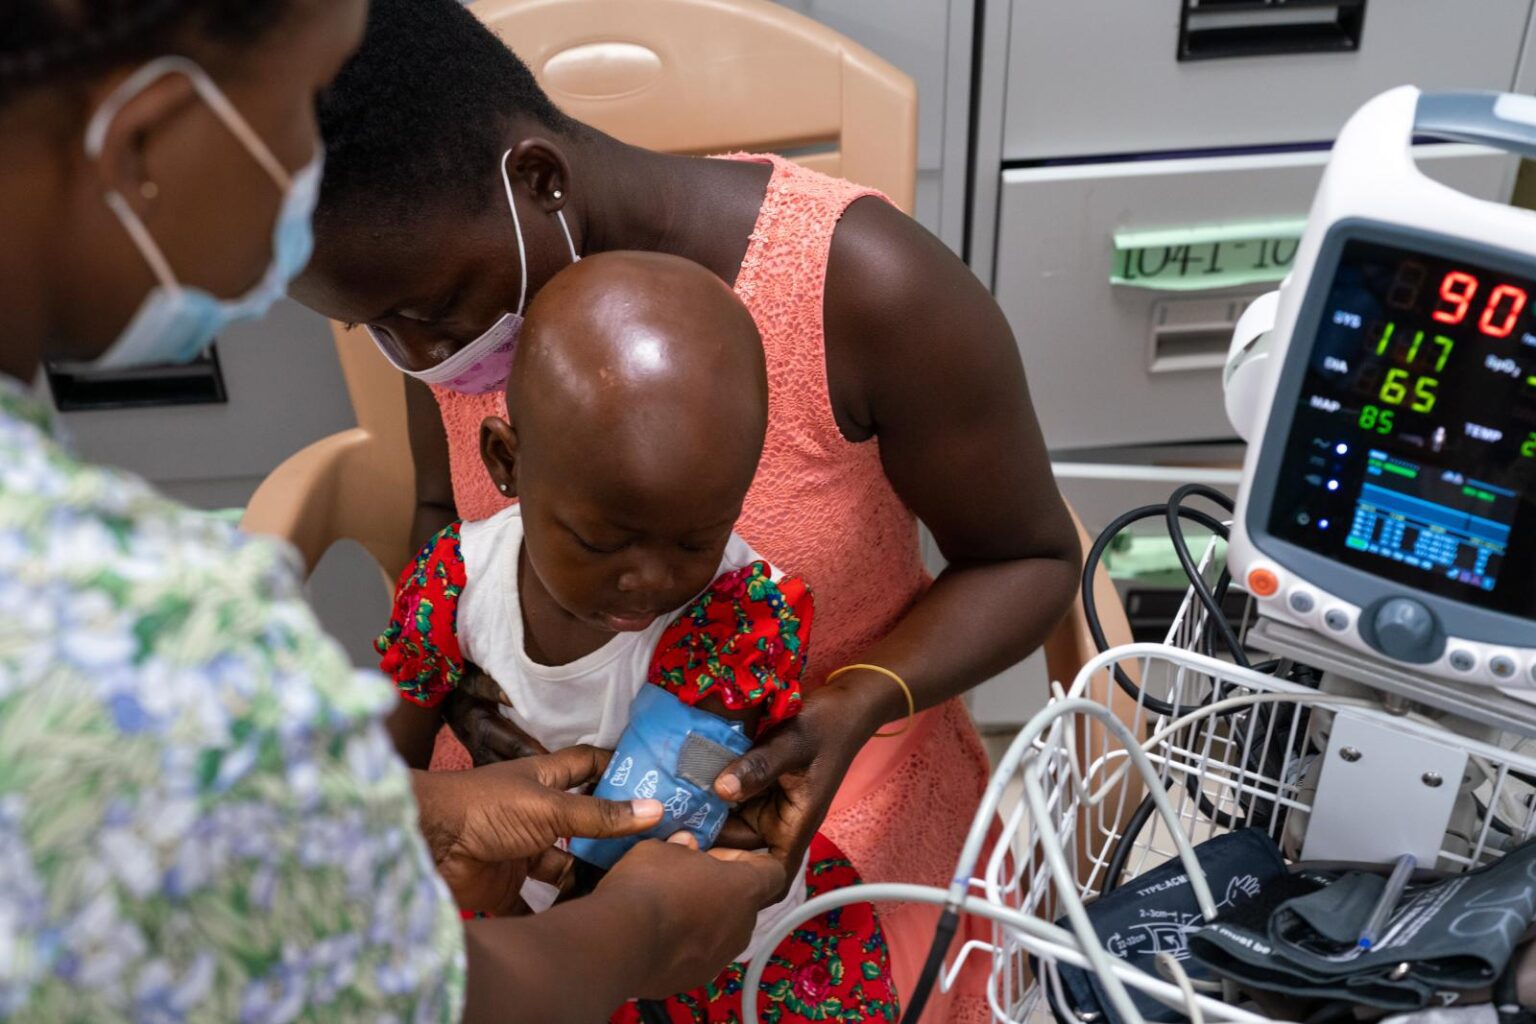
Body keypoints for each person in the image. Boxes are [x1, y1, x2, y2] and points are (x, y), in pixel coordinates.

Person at [292, 0, 1082, 1016]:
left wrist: (856, 699)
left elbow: (1028, 558)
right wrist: (461, 696)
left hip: (810, 804)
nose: (420, 356)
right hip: (517, 837)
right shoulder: (465, 318)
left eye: (423, 316)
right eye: (378, 328)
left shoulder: (870, 290)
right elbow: (447, 516)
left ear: (536, 181)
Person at [0, 2, 785, 1020]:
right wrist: (638, 928)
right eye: (301, 117)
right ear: (150, 135)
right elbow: (406, 997)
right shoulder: (165, 647)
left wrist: (424, 809)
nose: (311, 182)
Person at [377, 249, 899, 1022]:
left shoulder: (737, 610)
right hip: (512, 887)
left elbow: (705, 780)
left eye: (693, 541)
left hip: (695, 884)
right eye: (599, 543)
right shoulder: (453, 587)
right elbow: (385, 762)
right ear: (506, 462)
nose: (647, 582)